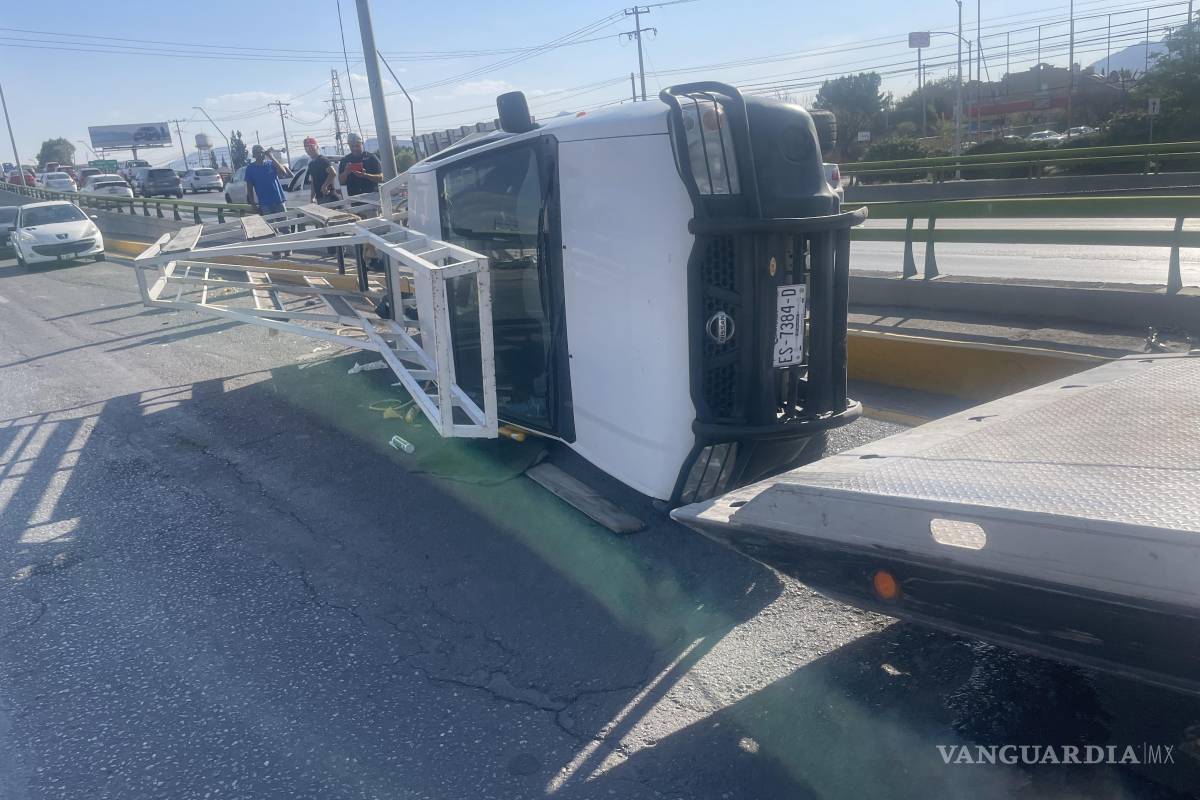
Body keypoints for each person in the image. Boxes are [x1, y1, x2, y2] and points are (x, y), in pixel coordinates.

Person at [244, 144, 292, 216]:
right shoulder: (250, 169)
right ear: (253, 155)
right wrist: (253, 205)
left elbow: (283, 173)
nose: (260, 154)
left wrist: (271, 157)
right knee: (269, 226)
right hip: (265, 204)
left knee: (285, 226)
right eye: (257, 153)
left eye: (262, 152)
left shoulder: (271, 164)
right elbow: (249, 189)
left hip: (278, 201)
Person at [338, 132, 383, 197]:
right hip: (355, 198)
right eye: (352, 146)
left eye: (357, 146)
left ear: (362, 144)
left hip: (372, 196)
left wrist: (365, 175)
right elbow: (341, 182)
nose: (355, 148)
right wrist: (346, 172)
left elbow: (381, 178)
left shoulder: (371, 157)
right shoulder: (345, 160)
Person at [303, 137, 339, 204]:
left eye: (311, 146)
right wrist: (312, 197)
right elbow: (313, 181)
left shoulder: (322, 160)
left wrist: (325, 186)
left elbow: (333, 173)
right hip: (320, 198)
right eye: (307, 147)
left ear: (316, 147)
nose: (309, 149)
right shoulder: (311, 164)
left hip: (329, 196)